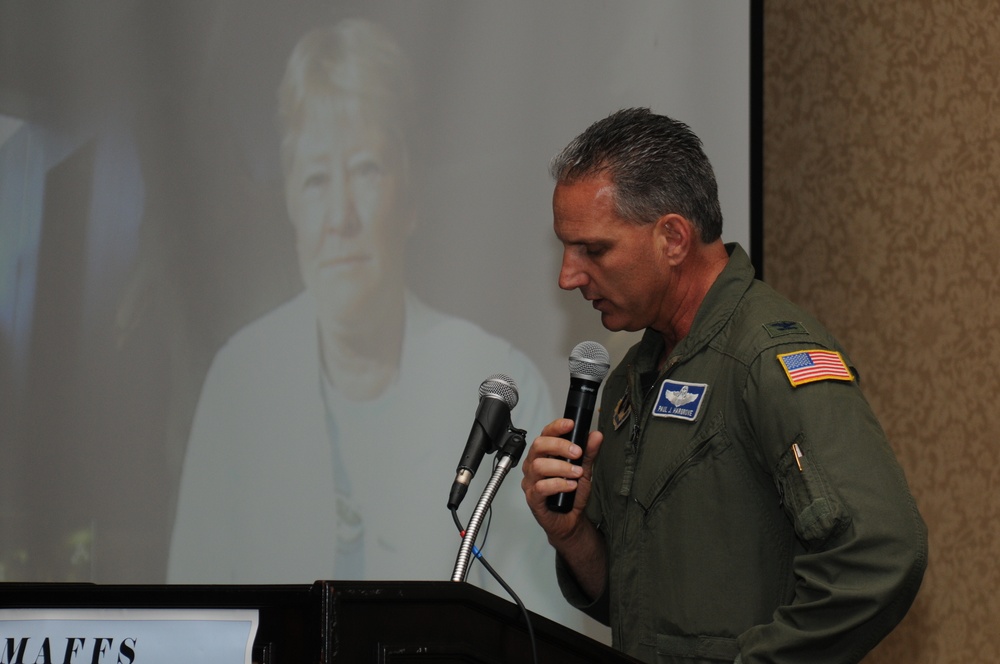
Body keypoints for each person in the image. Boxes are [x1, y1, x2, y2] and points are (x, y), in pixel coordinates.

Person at [168, 18, 577, 628]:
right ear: (290, 207)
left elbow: (543, 633)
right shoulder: (240, 379)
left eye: (365, 171)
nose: (340, 216)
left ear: (409, 198)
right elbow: (189, 623)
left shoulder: (501, 382)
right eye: (314, 180)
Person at [521, 108, 928, 663]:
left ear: (672, 238)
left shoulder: (767, 357)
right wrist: (572, 536)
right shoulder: (627, 384)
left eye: (593, 249)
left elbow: (882, 553)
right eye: (566, 249)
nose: (567, 276)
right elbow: (640, 607)